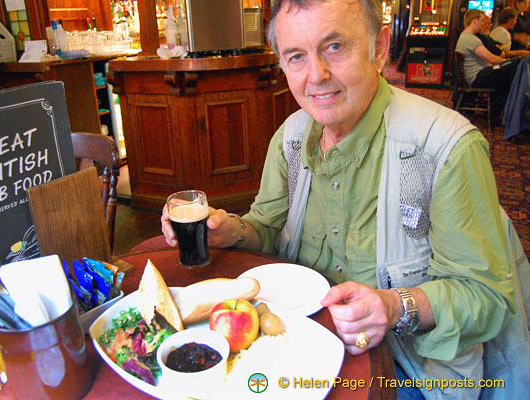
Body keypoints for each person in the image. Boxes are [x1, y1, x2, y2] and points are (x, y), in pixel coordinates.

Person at [161, 1, 530, 398]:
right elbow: (268, 229)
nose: (316, 75)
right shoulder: (289, 139)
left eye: (335, 46)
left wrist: (393, 307)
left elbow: (488, 296)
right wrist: (229, 230)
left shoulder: (445, 148)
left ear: (379, 48)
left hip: (413, 370)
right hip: (297, 347)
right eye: (297, 56)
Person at [456, 8, 518, 109]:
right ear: (475, 21)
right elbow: (491, 59)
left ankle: (500, 113)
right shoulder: (471, 39)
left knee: (509, 74)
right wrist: (509, 62)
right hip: (477, 78)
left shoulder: (465, 36)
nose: (482, 24)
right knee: (513, 73)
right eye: (482, 21)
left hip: (478, 75)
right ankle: (502, 113)